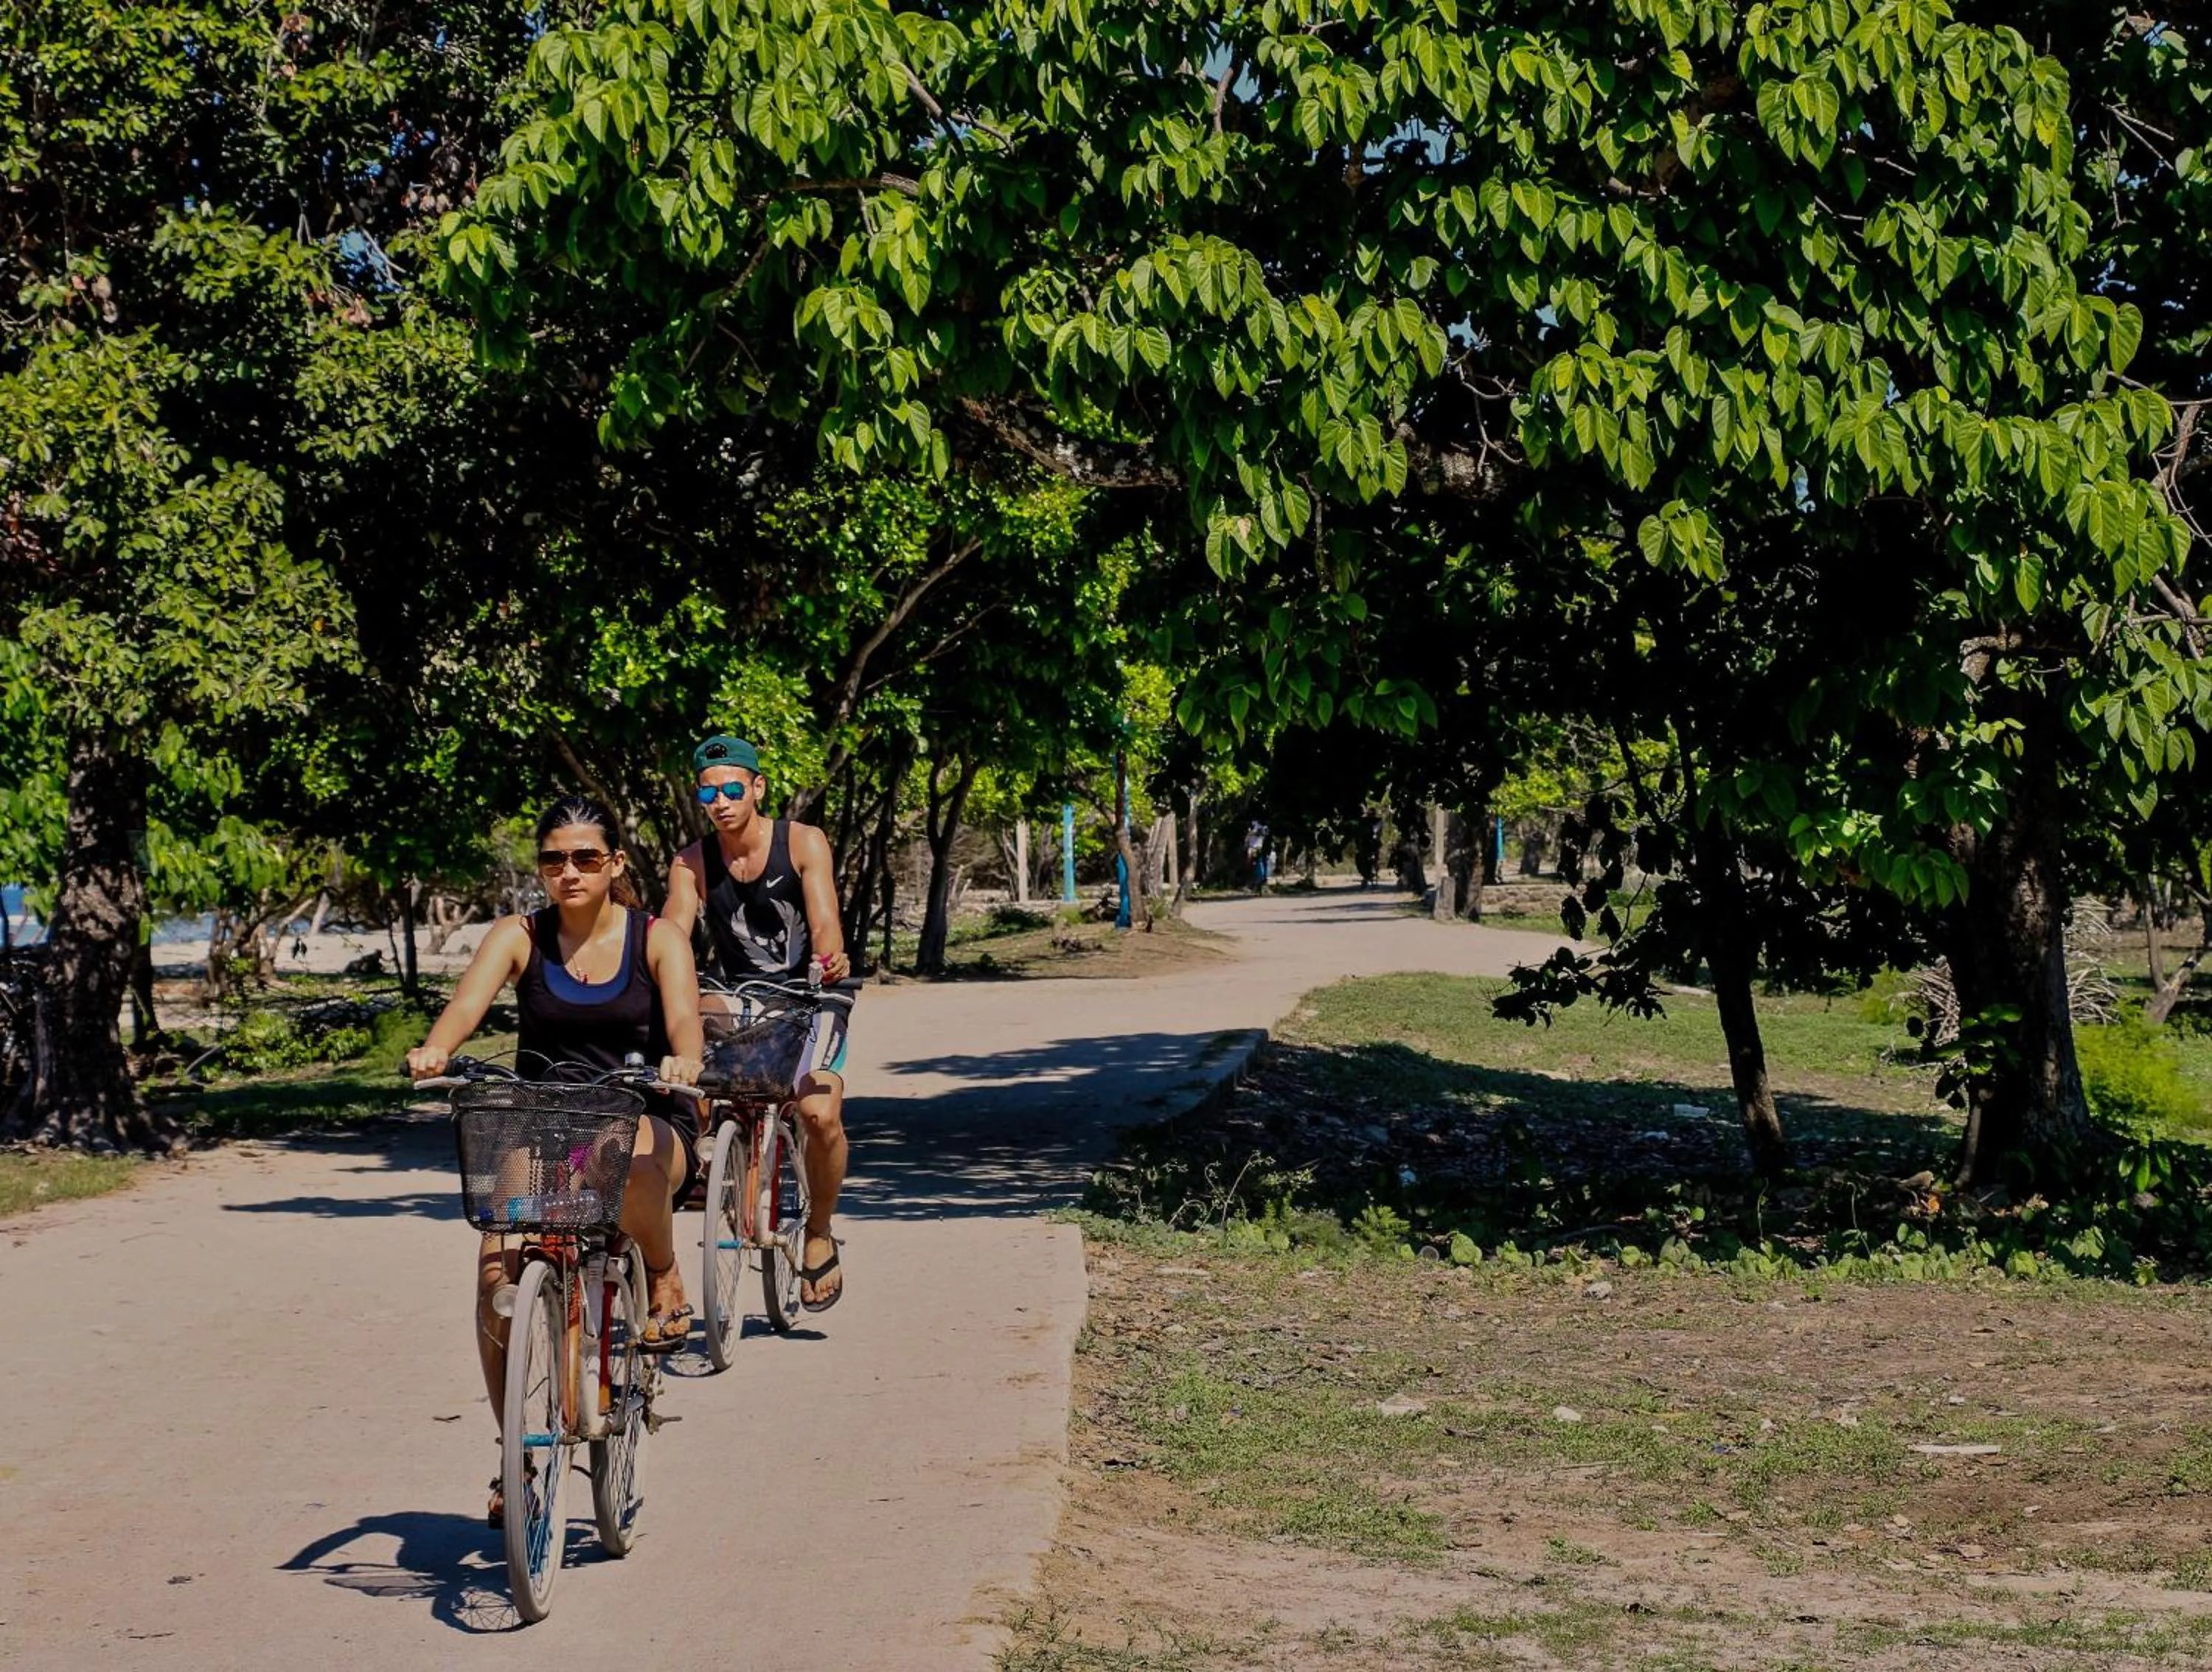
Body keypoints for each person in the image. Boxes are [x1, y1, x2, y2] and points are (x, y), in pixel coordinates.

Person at [406, 795, 704, 1525]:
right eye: (553, 859)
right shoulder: (520, 936)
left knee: (632, 1166)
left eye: (585, 858)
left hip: (644, 1114)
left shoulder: (656, 938)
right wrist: (437, 1046)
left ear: (615, 865)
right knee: (493, 1265)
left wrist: (688, 1060)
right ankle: (520, 1453)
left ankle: (663, 1273)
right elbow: (466, 1004)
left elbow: (686, 1019)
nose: (567, 872)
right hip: (547, 1124)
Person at [664, 735, 854, 1311]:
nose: (720, 801)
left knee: (819, 1114)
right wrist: (662, 973)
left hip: (814, 993)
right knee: (679, 1031)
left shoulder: (802, 841)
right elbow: (673, 930)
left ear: (757, 788)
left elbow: (824, 920)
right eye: (708, 791)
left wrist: (829, 959)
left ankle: (818, 1231)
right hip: (741, 997)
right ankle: (703, 1154)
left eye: (731, 789)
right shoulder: (691, 862)